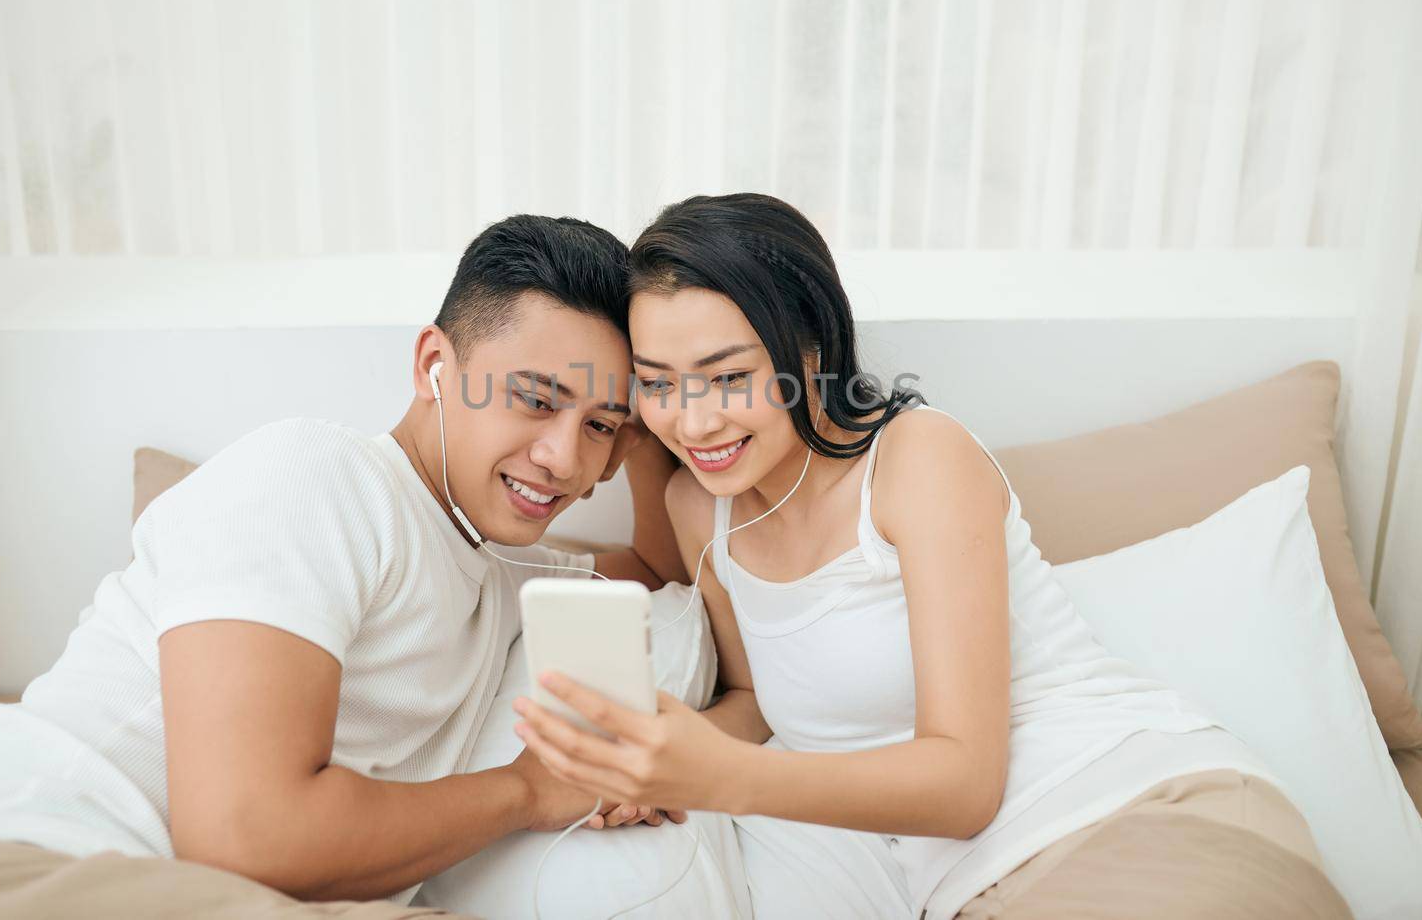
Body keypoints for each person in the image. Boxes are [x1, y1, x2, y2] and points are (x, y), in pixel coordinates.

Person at [513, 193, 1354, 919]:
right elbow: (755, 697)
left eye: (728, 377)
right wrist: (653, 755)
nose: (692, 423)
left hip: (1134, 814)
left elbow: (964, 783)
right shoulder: (699, 509)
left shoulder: (918, 460)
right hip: (970, 891)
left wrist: (718, 776)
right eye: (658, 383)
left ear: (813, 348)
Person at [0, 215, 686, 916]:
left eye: (600, 427)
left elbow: (659, 564)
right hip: (29, 874)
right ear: (433, 365)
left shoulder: (503, 574)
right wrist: (532, 790)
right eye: (537, 400)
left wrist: (654, 409)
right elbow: (245, 838)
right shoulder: (314, 477)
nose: (564, 459)